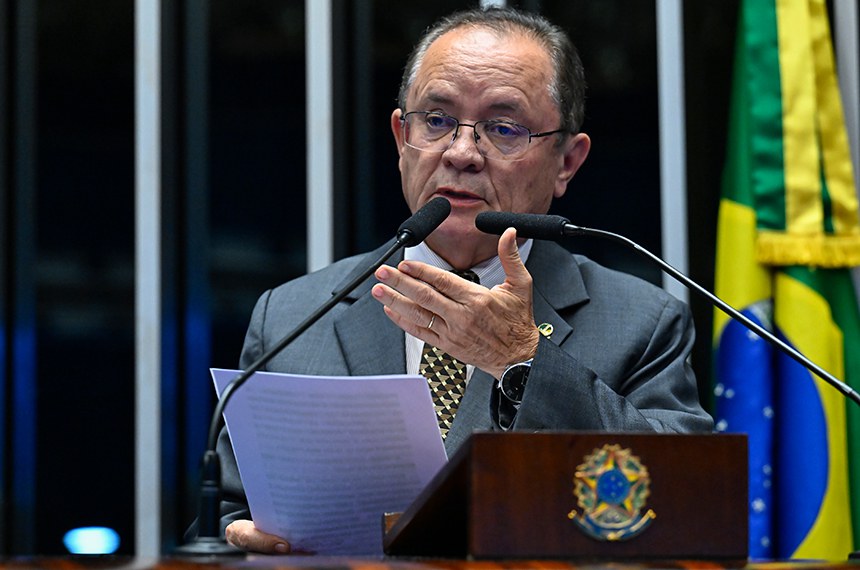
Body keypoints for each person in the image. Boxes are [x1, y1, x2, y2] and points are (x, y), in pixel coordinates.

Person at [218, 6, 713, 554]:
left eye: (504, 128)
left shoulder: (641, 323)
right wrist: (242, 542)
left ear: (566, 162)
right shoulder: (292, 317)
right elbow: (228, 517)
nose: (460, 153)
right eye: (436, 120)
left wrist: (523, 360)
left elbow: (679, 503)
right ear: (400, 136)